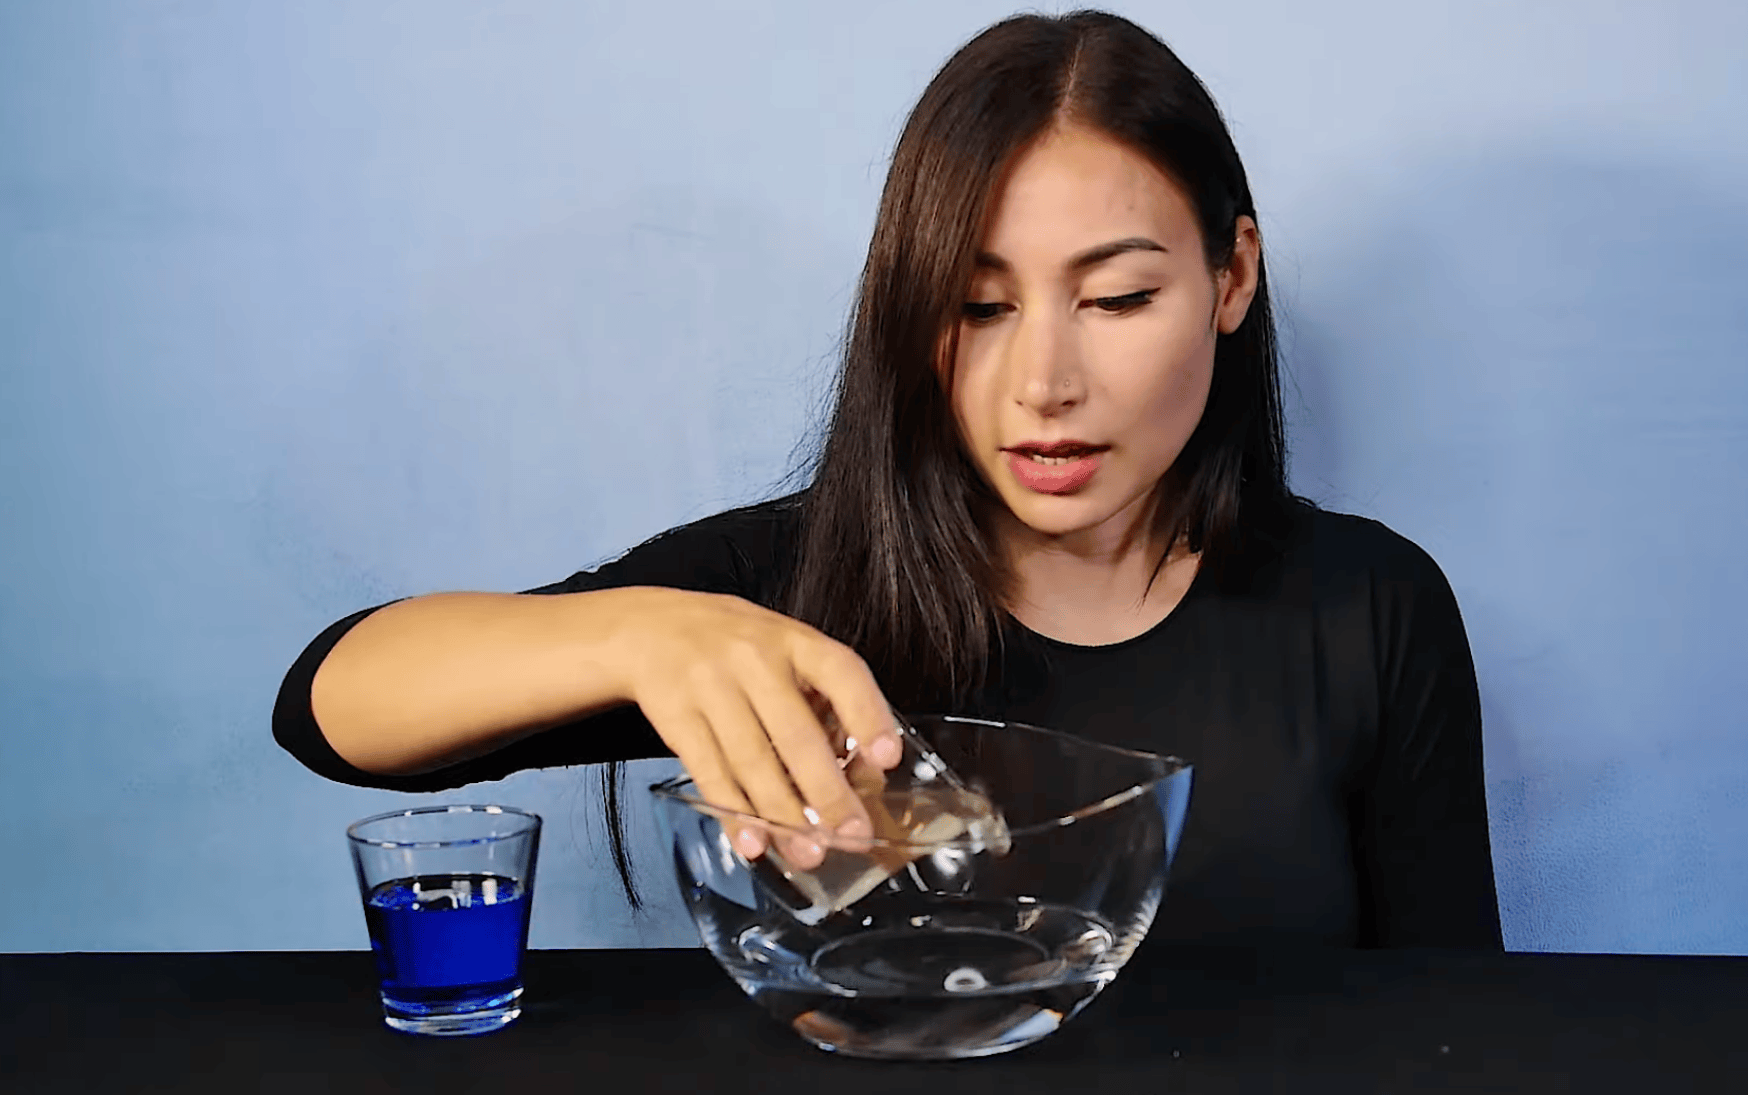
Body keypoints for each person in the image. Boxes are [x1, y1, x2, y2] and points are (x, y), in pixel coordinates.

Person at [273, 10, 1502, 951]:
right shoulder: (790, 588)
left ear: (1231, 278)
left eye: (1118, 297)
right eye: (976, 306)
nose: (1042, 381)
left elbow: (1455, 1030)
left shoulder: (1369, 607)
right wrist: (640, 634)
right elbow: (330, 711)